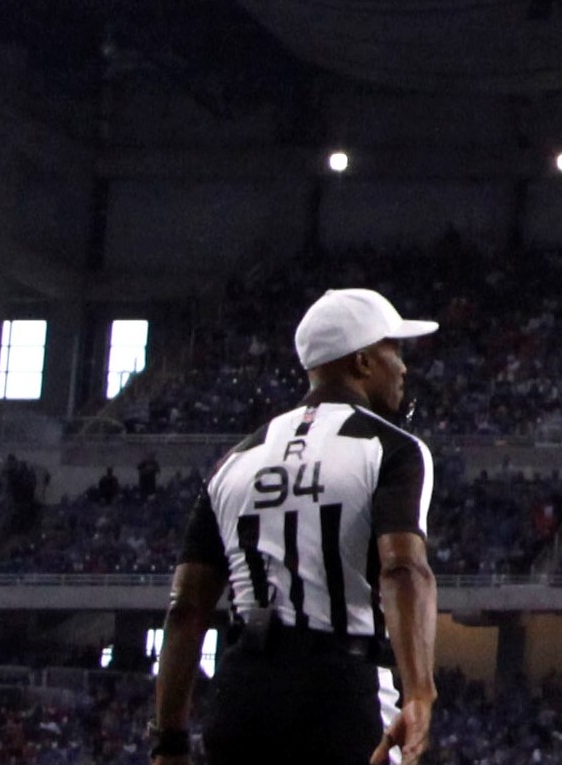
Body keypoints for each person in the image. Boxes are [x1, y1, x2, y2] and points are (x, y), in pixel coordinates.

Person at [150, 287, 441, 764]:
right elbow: (403, 570)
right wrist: (419, 690)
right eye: (394, 350)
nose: (404, 367)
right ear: (363, 362)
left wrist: (170, 742)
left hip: (243, 693)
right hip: (341, 689)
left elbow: (185, 609)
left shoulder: (235, 460)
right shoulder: (393, 449)